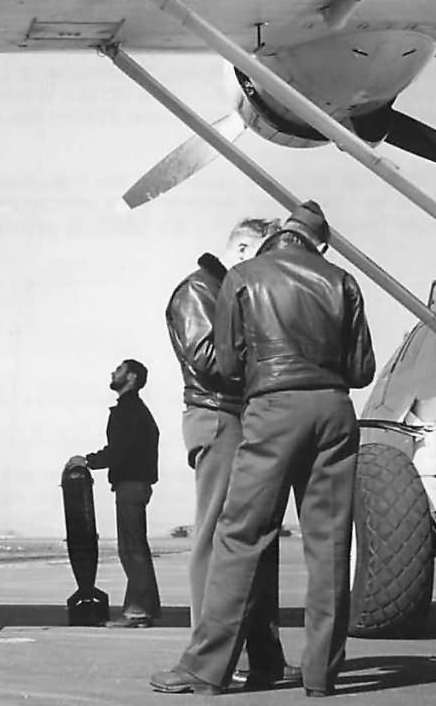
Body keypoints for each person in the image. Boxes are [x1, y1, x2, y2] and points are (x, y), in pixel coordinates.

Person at [152, 200, 375, 698]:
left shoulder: (243, 277)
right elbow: (362, 369)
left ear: (277, 238)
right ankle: (321, 675)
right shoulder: (342, 280)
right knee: (330, 545)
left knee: (240, 535)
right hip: (335, 410)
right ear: (319, 244)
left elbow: (229, 364)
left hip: (272, 410)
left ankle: (207, 668)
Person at [159, 216, 302, 692]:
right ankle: (210, 657)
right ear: (242, 250)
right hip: (221, 416)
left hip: (239, 416)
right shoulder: (199, 290)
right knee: (218, 536)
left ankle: (263, 657)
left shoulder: (225, 290)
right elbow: (208, 359)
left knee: (254, 538)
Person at [68, 359, 161, 628]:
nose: (113, 372)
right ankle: (144, 609)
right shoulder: (134, 409)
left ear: (131, 377)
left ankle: (138, 612)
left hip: (131, 484)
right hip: (134, 483)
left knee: (132, 549)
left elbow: (119, 450)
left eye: (119, 369)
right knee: (134, 547)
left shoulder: (129, 410)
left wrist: (87, 460)